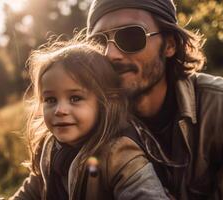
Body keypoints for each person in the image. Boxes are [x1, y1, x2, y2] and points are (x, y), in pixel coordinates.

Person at [86, 0, 223, 199]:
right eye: (99, 42)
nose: (110, 54)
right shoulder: (80, 119)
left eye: (131, 36)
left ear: (170, 44)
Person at [9, 40, 170, 199]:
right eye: (51, 100)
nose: (59, 110)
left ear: (104, 103)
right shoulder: (49, 147)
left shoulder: (118, 154)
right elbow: (32, 190)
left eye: (75, 98)